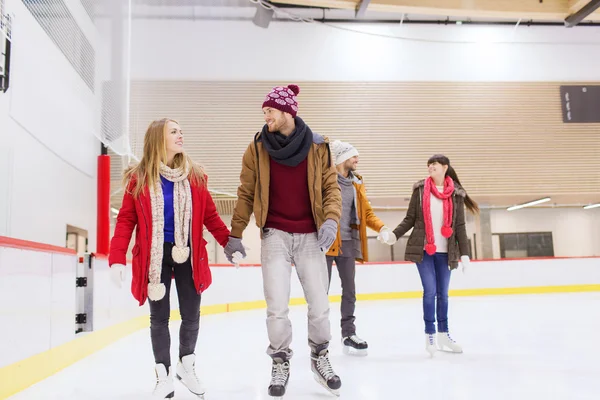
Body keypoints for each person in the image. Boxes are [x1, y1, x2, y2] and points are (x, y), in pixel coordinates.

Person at [225, 84, 342, 398]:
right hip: (274, 234)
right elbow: (246, 193)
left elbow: (332, 189)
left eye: (270, 111)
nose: (266, 117)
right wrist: (235, 234)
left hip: (311, 236)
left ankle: (320, 356)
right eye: (264, 112)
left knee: (319, 305)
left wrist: (330, 220)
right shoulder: (258, 147)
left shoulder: (319, 146)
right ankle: (280, 361)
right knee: (276, 306)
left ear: (288, 110)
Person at [108, 118, 233, 399]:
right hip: (154, 257)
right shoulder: (138, 178)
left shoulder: (195, 175)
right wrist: (117, 258)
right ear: (158, 139)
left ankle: (186, 366)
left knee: (191, 315)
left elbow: (211, 217)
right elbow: (126, 220)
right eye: (173, 131)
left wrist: (228, 243)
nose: (180, 135)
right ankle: (163, 375)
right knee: (159, 318)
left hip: (187, 253)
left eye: (180, 131)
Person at [378, 154, 478, 357]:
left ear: (445, 167)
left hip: (447, 252)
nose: (430, 167)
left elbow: (459, 226)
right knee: (430, 291)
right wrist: (394, 236)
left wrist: (465, 254)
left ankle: (444, 334)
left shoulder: (456, 194)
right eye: (428, 164)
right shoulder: (421, 190)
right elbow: (410, 219)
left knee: (443, 294)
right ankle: (430, 335)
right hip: (424, 250)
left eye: (434, 164)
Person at [326, 140, 392, 356]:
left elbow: (366, 213)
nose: (357, 160)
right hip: (324, 243)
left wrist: (381, 228)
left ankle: (348, 333)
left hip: (347, 242)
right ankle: (319, 337)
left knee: (350, 291)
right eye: (354, 156)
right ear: (342, 159)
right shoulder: (324, 180)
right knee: (319, 292)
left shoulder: (357, 183)